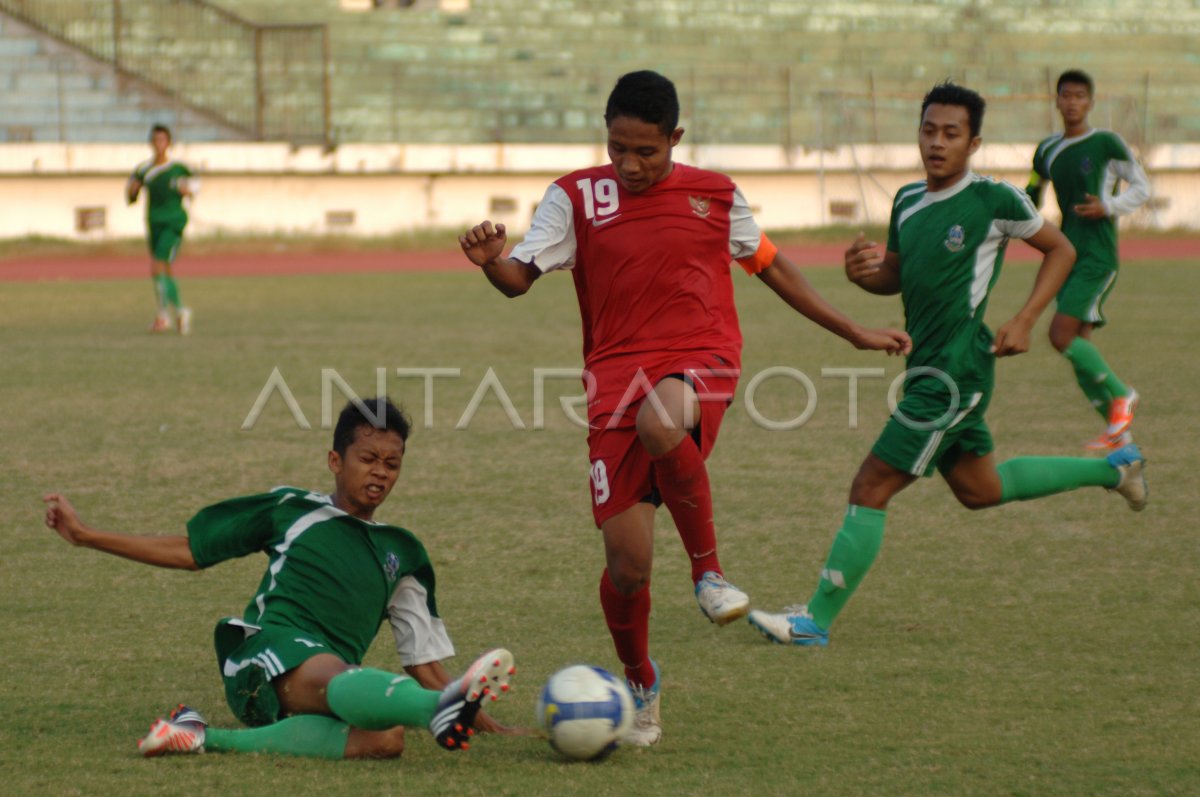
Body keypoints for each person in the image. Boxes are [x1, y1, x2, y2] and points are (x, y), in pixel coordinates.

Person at [458, 70, 910, 746]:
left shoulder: (716, 195)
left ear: (676, 138)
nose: (631, 164)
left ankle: (709, 573)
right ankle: (640, 679)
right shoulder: (575, 197)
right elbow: (519, 278)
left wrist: (852, 330)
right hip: (611, 379)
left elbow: (774, 267)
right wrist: (492, 262)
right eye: (618, 149)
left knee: (661, 417)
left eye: (647, 151)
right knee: (626, 567)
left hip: (702, 356)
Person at [747, 82, 1148, 648]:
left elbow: (1063, 249)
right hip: (927, 366)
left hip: (955, 374)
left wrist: (1028, 317)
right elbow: (897, 274)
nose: (937, 143)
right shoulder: (907, 200)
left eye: (951, 133)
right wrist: (864, 274)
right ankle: (1116, 468)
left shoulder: (994, 200)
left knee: (871, 484)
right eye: (929, 130)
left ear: (973, 142)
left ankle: (813, 621)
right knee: (979, 489)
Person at [42, 397, 517, 760]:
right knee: (343, 677)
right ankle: (433, 710)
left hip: (332, 680)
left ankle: (199, 734)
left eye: (392, 465)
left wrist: (484, 722)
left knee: (386, 740)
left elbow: (425, 662)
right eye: (368, 458)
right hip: (267, 656)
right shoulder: (292, 509)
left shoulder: (403, 552)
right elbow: (191, 551)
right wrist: (86, 536)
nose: (380, 473)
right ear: (336, 461)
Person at [1025, 70, 1151, 449]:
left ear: (1091, 102)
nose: (1073, 102)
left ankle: (1122, 396)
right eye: (1066, 95)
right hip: (1067, 254)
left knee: (1059, 334)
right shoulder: (1047, 150)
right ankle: (1118, 431)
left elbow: (1142, 186)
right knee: (1077, 344)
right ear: (1057, 100)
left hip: (1098, 255)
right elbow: (1032, 192)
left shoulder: (1106, 143)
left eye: (1080, 95)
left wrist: (1110, 206)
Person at [126, 124, 196, 335]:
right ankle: (175, 313)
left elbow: (194, 187)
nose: (159, 145)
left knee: (157, 265)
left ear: (169, 143)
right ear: (151, 143)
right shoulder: (143, 170)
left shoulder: (179, 169)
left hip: (173, 223)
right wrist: (133, 191)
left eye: (162, 140)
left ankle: (168, 314)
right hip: (153, 222)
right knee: (163, 269)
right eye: (155, 140)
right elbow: (131, 197)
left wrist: (188, 190)